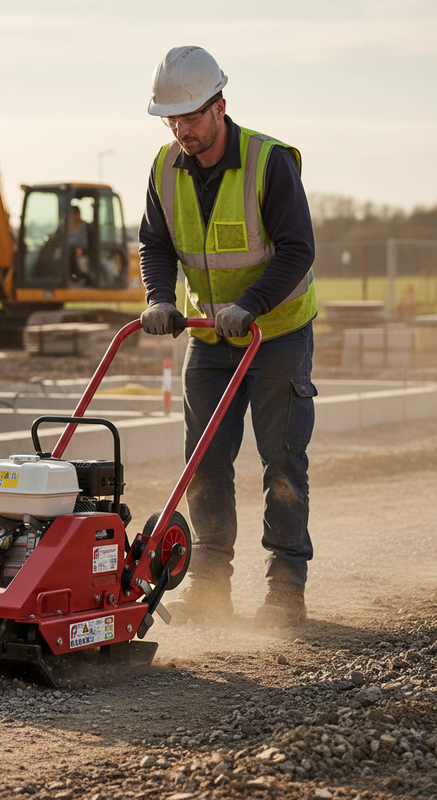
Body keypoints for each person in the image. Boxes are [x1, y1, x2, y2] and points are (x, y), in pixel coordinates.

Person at [138, 46, 318, 628]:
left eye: (191, 117)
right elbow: (155, 244)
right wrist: (160, 298)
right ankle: (210, 586)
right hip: (211, 337)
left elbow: (298, 249)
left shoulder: (269, 163)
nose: (182, 131)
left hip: (277, 332)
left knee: (281, 461)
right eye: (172, 120)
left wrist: (252, 305)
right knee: (205, 460)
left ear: (220, 106)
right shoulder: (164, 169)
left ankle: (285, 590)